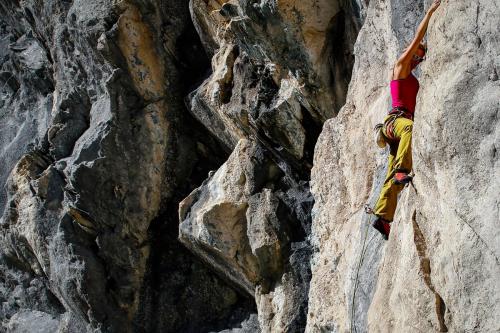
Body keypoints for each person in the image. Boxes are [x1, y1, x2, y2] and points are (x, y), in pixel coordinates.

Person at [372, 0, 441, 240]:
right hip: (395, 123)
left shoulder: (412, 76)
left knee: (391, 170)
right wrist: (431, 12)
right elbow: (416, 39)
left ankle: (383, 217)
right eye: (417, 55)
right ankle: (402, 170)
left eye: (421, 58)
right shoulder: (400, 67)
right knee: (409, 129)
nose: (418, 59)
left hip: (396, 131)